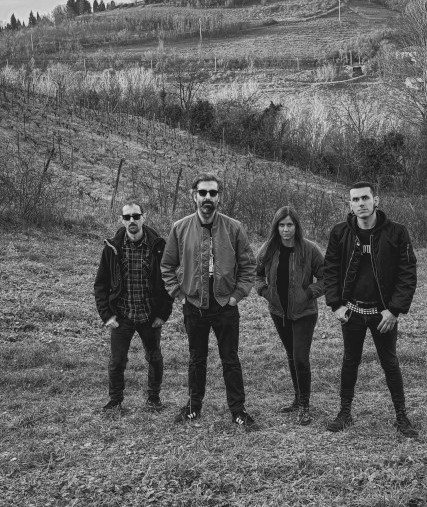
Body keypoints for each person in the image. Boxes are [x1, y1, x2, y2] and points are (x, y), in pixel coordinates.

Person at [161, 173, 257, 429]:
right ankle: (194, 407)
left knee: (230, 360)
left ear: (219, 197)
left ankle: (238, 410)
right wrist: (179, 294)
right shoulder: (180, 228)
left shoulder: (234, 228)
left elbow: (248, 266)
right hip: (194, 305)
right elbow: (167, 265)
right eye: (202, 193)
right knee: (196, 358)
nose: (207, 197)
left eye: (212, 193)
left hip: (225, 304)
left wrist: (236, 296)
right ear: (194, 196)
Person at [323, 181, 418, 437]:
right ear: (350, 204)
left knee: (390, 362)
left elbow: (407, 273)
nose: (361, 203)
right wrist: (336, 305)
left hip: (383, 314)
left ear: (376, 200)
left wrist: (394, 310)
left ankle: (401, 416)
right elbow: (330, 269)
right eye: (355, 200)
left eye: (365, 198)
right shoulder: (340, 232)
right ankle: (345, 413)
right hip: (352, 311)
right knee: (349, 361)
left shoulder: (397, 232)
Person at [94, 203, 173, 411]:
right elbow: (101, 284)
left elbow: (168, 281)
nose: (132, 221)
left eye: (136, 216)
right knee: (117, 361)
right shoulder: (112, 248)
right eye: (127, 217)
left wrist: (163, 314)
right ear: (122, 220)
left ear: (143, 218)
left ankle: (154, 398)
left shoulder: (158, 246)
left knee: (154, 357)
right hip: (122, 316)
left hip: (149, 315)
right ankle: (115, 401)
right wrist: (107, 315)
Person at [255, 206, 324, 425]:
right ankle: (297, 398)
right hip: (279, 312)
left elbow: (326, 278)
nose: (286, 230)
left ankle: (304, 405)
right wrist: (264, 291)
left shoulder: (310, 249)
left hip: (304, 312)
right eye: (282, 225)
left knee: (301, 357)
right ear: (276, 227)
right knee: (292, 356)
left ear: (296, 226)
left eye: (290, 225)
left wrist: (308, 293)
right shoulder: (268, 249)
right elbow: (257, 274)